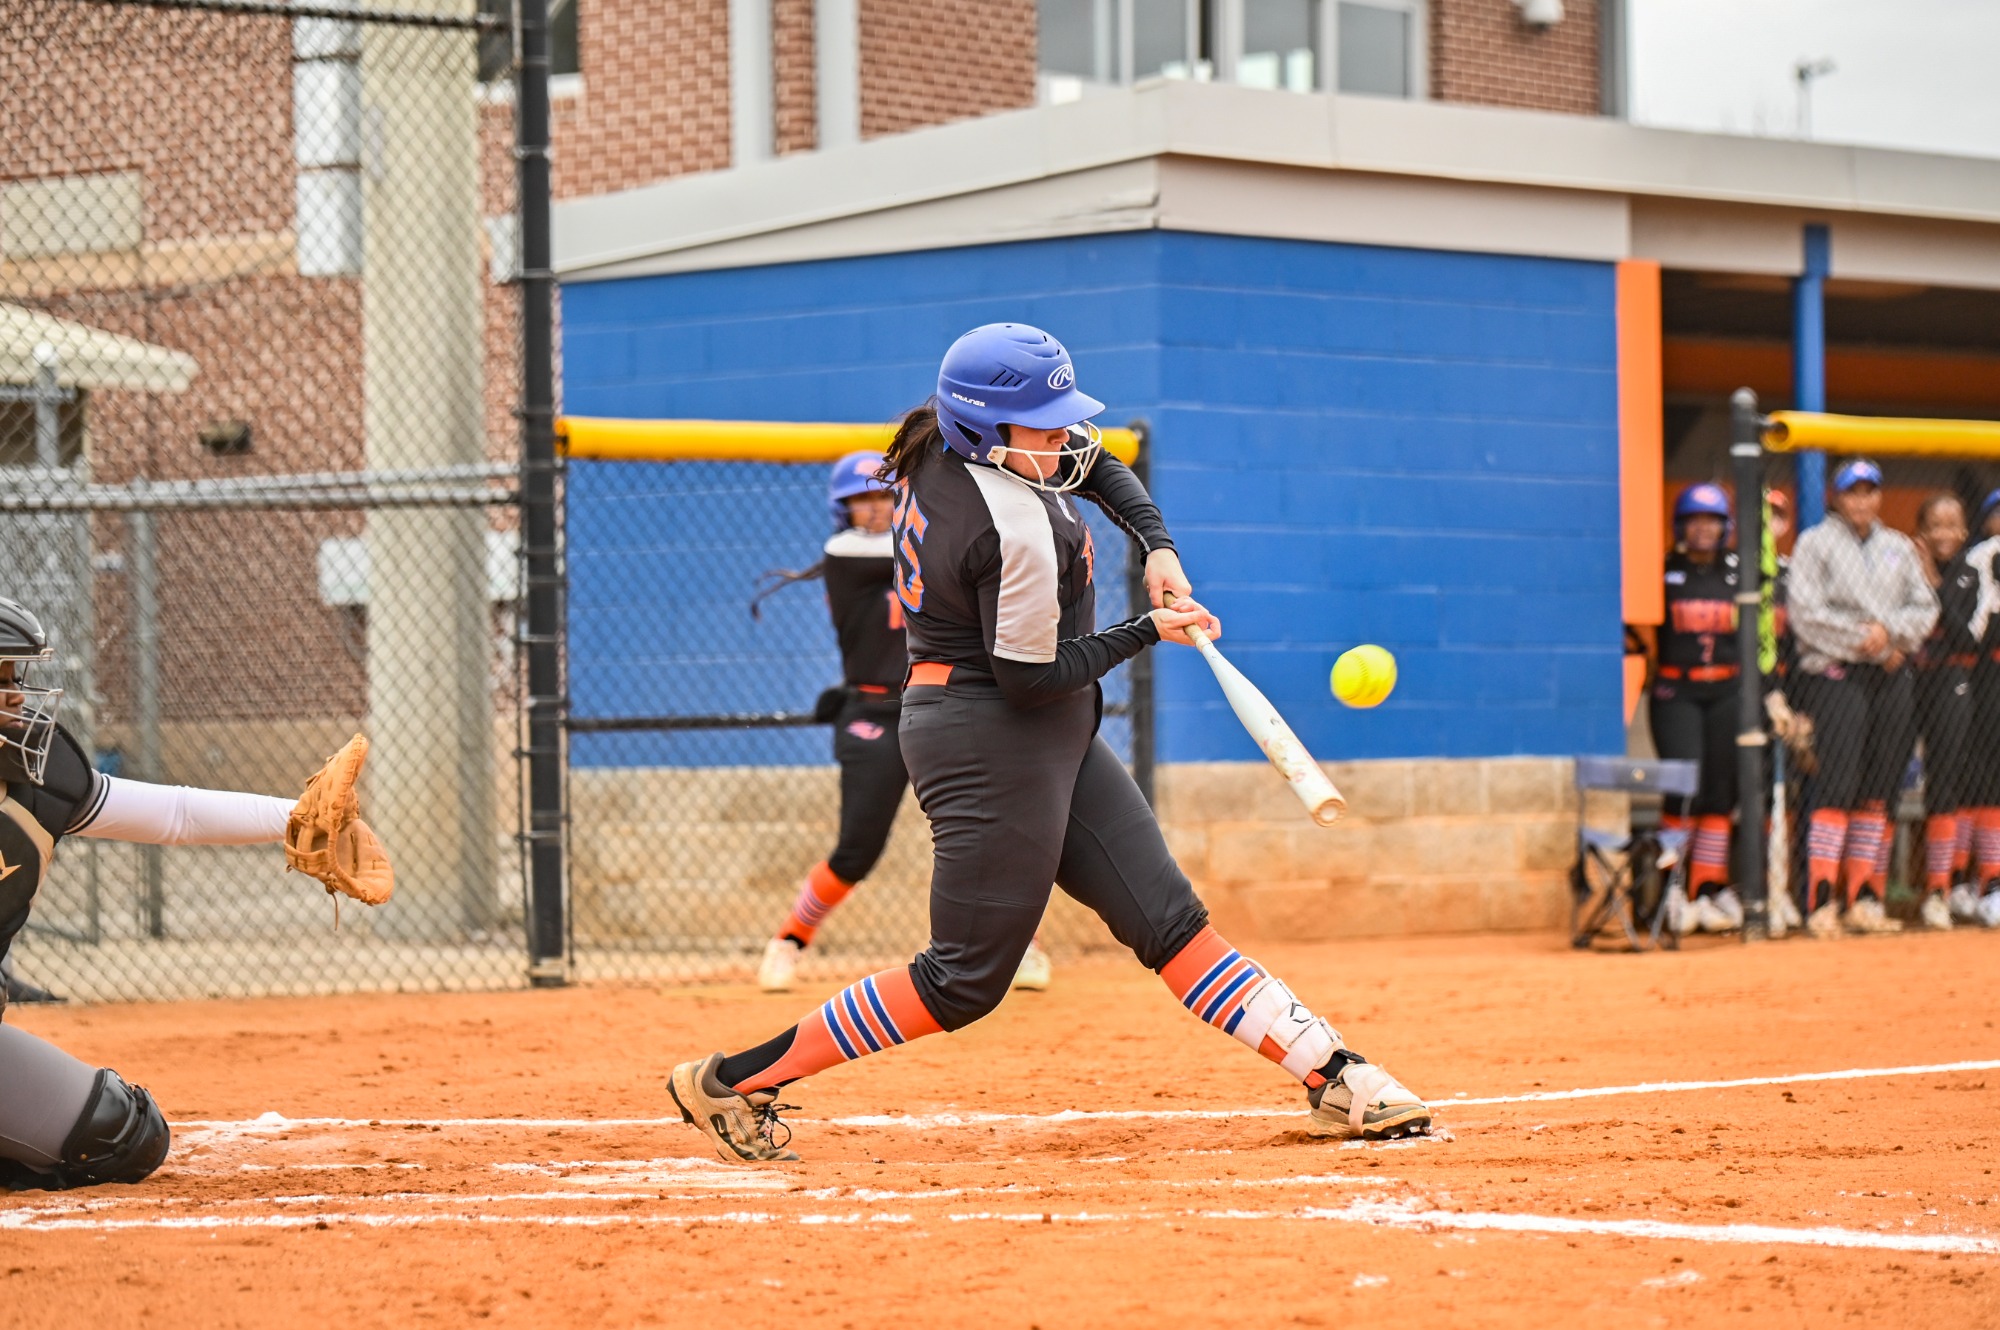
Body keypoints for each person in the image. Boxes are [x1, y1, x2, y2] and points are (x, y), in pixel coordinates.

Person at [667, 323, 1429, 1161]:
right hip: (988, 735)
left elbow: (1097, 464)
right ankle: (733, 1082)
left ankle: (1333, 1073)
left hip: (1044, 728)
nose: (1064, 434)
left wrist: (1159, 547)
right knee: (962, 981)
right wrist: (1148, 628)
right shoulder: (1007, 526)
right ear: (985, 430)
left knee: (1169, 923)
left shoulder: (963, 437)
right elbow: (1033, 676)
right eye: (1044, 420)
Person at [0, 595, 392, 1191]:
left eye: (15, 676)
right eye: (0, 679)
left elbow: (174, 814)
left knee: (123, 1134)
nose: (17, 697)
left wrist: (294, 818)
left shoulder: (38, 777)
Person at [752, 451, 1052, 993]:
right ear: (841, 510)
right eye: (859, 500)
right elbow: (948, 542)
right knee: (857, 849)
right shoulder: (844, 552)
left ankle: (1016, 947)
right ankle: (789, 942)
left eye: (881, 496)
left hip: (942, 704)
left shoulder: (923, 553)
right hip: (872, 713)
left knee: (987, 833)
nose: (872, 508)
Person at [1787, 460, 1939, 937]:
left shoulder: (1896, 545)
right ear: (1835, 496)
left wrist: (1888, 635)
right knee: (1837, 783)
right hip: (1836, 673)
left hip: (1891, 674)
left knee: (1879, 788)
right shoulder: (1815, 543)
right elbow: (1805, 614)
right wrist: (1864, 639)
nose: (1862, 500)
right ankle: (1821, 902)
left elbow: (1926, 608)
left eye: (1870, 491)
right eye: (1852, 491)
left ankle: (1863, 899)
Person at [1649, 484, 1743, 933]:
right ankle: (1673, 885)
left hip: (1726, 690)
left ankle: (1709, 887)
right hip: (1677, 691)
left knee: (1720, 791)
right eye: (1694, 519)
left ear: (1726, 527)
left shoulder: (1737, 573)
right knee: (1683, 785)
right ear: (1680, 525)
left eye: (1712, 520)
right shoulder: (1664, 571)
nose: (1703, 528)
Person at [1909, 494, 1980, 929]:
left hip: (1950, 681)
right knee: (1882, 778)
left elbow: (1962, 637)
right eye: (1934, 524)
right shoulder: (1901, 572)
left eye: (1952, 524)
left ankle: (1939, 889)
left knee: (1945, 781)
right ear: (1922, 531)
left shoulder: (1970, 575)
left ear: (1965, 532)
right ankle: (1869, 892)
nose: (1943, 533)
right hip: (1905, 680)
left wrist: (1933, 580)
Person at [1964, 489, 2000, 925]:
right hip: (1989, 676)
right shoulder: (1982, 558)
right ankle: (1991, 881)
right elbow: (1975, 630)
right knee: (1991, 778)